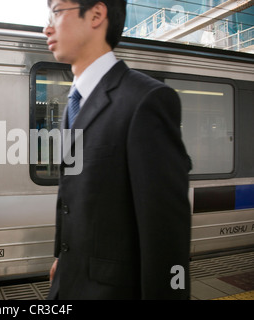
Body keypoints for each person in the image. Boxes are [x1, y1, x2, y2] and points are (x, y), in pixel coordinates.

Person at [43, 0, 191, 299]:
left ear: (96, 14)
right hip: (70, 282)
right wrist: (63, 256)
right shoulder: (74, 104)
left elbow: (167, 234)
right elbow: (72, 195)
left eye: (57, 11)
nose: (47, 27)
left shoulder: (146, 100)